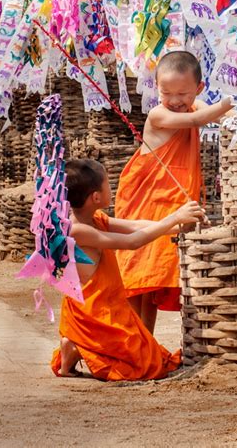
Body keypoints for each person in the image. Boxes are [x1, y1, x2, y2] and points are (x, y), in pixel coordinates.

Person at [51, 158, 207, 380]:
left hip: (109, 306)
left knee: (151, 357)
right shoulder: (77, 230)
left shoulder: (96, 219)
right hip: (95, 315)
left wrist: (177, 226)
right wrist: (174, 217)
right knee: (149, 367)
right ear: (95, 197)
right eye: (108, 185)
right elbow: (132, 242)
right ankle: (76, 346)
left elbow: (135, 226)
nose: (111, 189)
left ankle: (78, 346)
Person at [115, 51, 233, 333]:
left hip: (173, 204)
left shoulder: (193, 108)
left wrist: (235, 113)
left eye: (184, 93)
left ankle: (145, 343)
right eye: (167, 93)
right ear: (157, 88)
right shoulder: (159, 114)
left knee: (153, 282)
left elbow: (209, 114)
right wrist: (232, 101)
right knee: (136, 275)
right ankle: (129, 343)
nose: (176, 101)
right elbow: (199, 119)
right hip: (145, 203)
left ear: (199, 89)